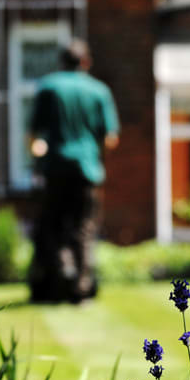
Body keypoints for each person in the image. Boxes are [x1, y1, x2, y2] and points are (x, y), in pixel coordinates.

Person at [28, 39, 119, 303]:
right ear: (86, 62)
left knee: (52, 225)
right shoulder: (99, 91)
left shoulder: (49, 87)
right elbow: (111, 138)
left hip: (55, 167)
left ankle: (62, 270)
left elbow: (34, 137)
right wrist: (94, 154)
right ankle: (81, 287)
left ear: (61, 62)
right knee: (84, 228)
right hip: (86, 170)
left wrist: (37, 155)